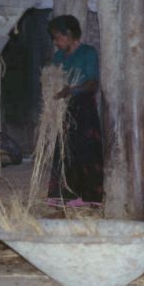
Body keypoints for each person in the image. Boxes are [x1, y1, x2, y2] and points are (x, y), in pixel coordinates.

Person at [46, 14, 103, 206]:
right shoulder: (58, 57)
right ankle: (63, 194)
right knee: (62, 151)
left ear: (69, 34)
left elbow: (93, 83)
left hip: (83, 106)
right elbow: (52, 80)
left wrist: (71, 90)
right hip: (64, 109)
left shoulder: (88, 53)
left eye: (58, 37)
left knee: (85, 151)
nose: (56, 42)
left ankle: (90, 197)